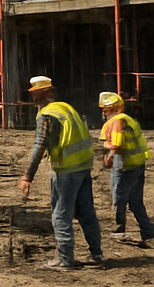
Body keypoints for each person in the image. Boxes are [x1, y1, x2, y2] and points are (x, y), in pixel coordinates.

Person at [18, 75, 103, 269]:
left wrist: (27, 176)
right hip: (83, 164)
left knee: (60, 214)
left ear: (39, 95)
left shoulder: (47, 115)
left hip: (66, 169)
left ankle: (65, 259)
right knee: (86, 211)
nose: (33, 98)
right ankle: (96, 254)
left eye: (34, 94)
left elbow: (40, 145)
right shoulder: (66, 107)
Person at [98, 91, 153, 247]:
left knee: (119, 200)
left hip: (124, 165)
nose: (104, 112)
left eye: (105, 109)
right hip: (138, 164)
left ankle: (119, 231)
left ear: (115, 108)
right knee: (136, 202)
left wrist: (108, 154)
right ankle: (148, 232)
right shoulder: (130, 120)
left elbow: (116, 144)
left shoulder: (117, 121)